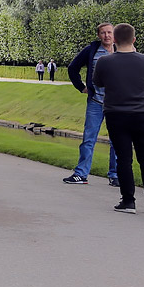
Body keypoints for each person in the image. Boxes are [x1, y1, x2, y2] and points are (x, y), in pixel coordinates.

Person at [94, 24, 144, 214]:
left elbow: (98, 83)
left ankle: (128, 201)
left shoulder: (104, 62)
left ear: (114, 40)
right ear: (134, 40)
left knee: (123, 159)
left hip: (116, 114)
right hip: (143, 115)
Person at [62, 23, 120, 186]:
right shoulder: (91, 51)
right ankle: (81, 174)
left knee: (116, 140)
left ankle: (115, 175)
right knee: (89, 138)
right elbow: (73, 68)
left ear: (114, 34)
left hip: (115, 103)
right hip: (95, 101)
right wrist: (81, 87)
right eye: (103, 33)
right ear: (98, 35)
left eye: (109, 32)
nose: (107, 36)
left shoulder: (122, 50)